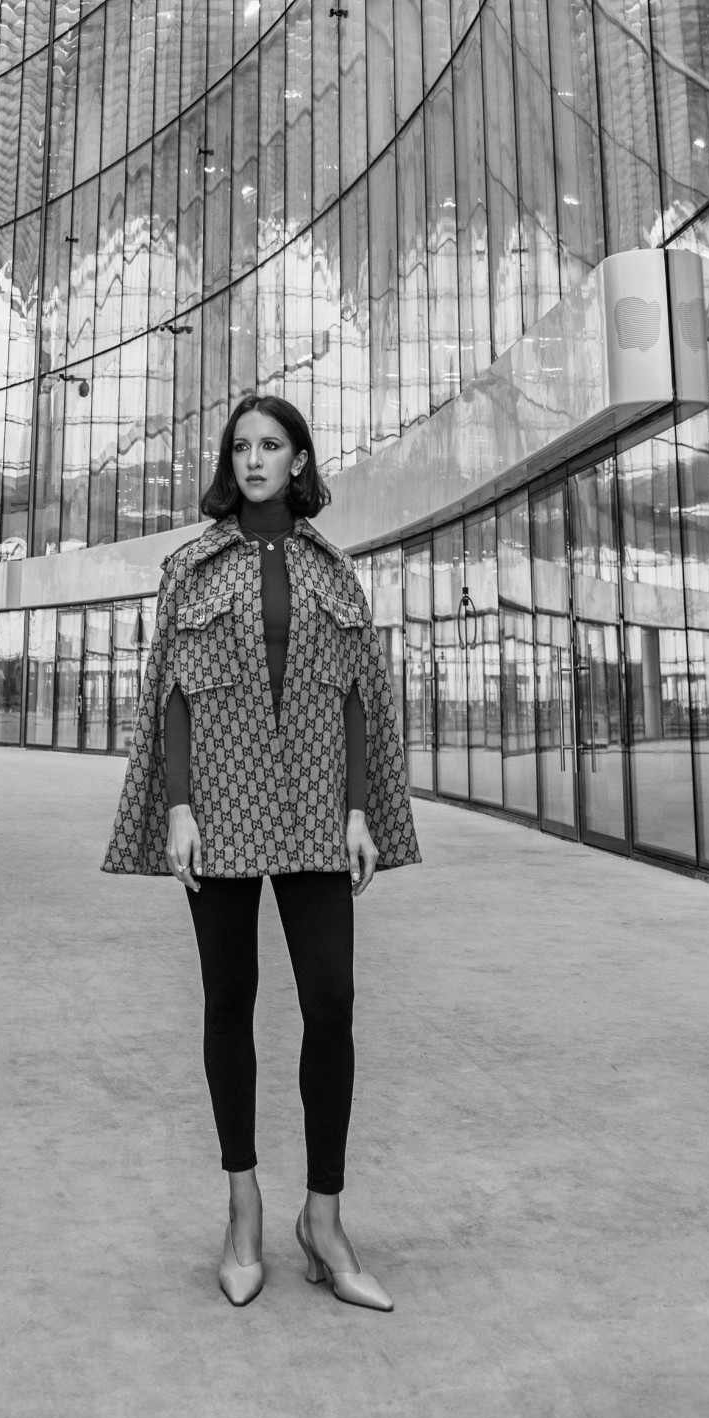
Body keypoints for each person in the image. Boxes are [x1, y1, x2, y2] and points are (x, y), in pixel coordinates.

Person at [103, 393, 420, 1309]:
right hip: (222, 803)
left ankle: (323, 1219)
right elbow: (171, 696)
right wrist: (178, 808)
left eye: (271, 444)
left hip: (317, 804)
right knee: (228, 1000)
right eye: (240, 446)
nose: (253, 459)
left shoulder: (334, 570)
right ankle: (242, 1211)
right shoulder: (190, 568)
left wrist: (359, 811)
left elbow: (358, 699)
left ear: (299, 460)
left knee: (331, 1001)